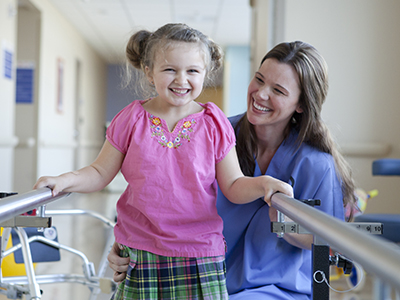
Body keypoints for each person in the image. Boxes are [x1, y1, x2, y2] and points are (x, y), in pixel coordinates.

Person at [33, 24, 293, 300]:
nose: (181, 79)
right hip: (140, 251)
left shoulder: (214, 122)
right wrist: (65, 180)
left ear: (205, 73)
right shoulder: (131, 119)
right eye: (170, 69)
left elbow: (233, 184)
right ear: (149, 71)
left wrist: (263, 183)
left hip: (200, 253)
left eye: (192, 71)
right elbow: (99, 172)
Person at [107, 41, 357, 299]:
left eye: (278, 90)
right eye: (259, 80)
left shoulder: (316, 164)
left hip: (276, 288)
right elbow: (160, 195)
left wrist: (287, 227)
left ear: (301, 104)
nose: (260, 94)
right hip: (202, 275)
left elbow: (330, 247)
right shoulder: (213, 132)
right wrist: (129, 243)